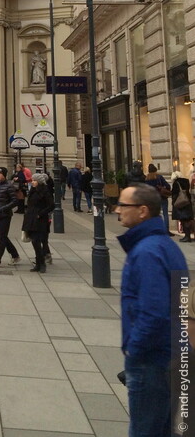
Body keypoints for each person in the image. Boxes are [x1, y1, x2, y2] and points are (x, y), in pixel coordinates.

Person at [115, 183, 188, 437]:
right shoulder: (166, 246)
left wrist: (134, 351)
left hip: (153, 360)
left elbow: (154, 313)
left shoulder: (147, 251)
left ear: (143, 211)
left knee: (145, 431)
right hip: (174, 355)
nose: (117, 210)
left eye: (124, 205)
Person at [23, 173, 55, 272]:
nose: (32, 182)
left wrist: (40, 214)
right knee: (34, 241)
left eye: (34, 180)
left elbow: (51, 205)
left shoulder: (45, 191)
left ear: (39, 182)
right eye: (32, 180)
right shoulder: (32, 190)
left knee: (37, 241)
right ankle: (38, 263)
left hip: (40, 220)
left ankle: (41, 264)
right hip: (31, 218)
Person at [0, 167, 20, 269]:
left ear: (5, 175)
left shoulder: (9, 186)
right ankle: (15, 255)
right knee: (3, 237)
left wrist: (4, 208)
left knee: (2, 238)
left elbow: (15, 201)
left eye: (0, 173)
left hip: (5, 215)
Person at [144, 163, 173, 234]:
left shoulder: (147, 179)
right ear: (155, 170)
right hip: (162, 197)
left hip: (153, 199)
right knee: (165, 214)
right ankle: (166, 230)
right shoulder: (159, 177)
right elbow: (168, 186)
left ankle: (156, 229)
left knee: (155, 214)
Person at [171, 171, 194, 242]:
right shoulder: (186, 181)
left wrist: (173, 203)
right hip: (187, 202)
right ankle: (188, 235)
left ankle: (187, 237)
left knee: (183, 220)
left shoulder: (176, 183)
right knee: (187, 219)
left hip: (180, 203)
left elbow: (174, 193)